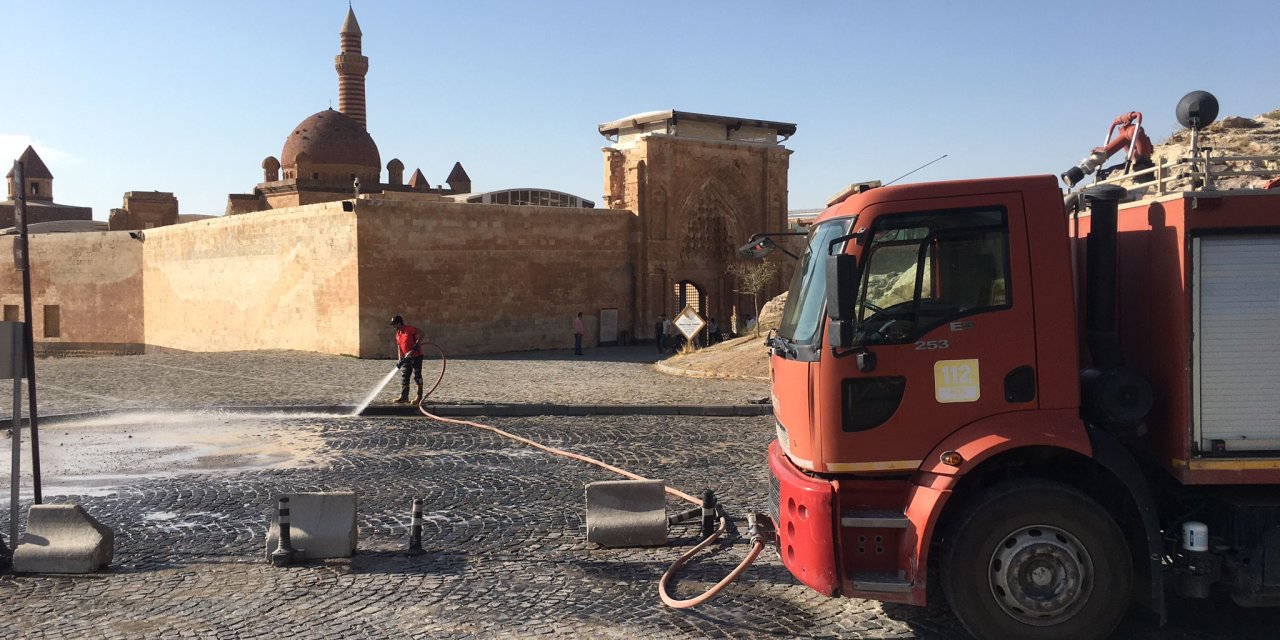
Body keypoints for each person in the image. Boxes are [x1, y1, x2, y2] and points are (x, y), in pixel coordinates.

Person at [390, 315, 424, 404]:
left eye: (394, 324)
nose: (393, 326)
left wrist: (414, 347)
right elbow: (399, 347)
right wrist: (399, 359)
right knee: (405, 376)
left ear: (399, 323)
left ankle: (419, 396)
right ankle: (404, 396)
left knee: (417, 375)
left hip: (416, 356)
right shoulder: (398, 334)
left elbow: (422, 334)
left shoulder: (410, 329)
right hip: (406, 358)